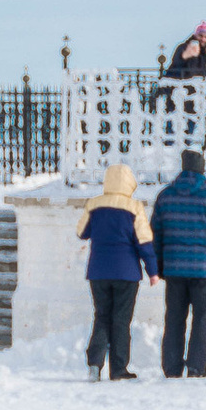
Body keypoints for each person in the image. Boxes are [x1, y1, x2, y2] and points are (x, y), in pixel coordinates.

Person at [150, 143, 206, 380]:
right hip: (204, 270)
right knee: (202, 317)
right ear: (202, 170)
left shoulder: (165, 196)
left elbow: (156, 233)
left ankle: (171, 367)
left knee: (174, 318)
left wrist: (157, 263)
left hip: (174, 270)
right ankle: (197, 366)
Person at [78, 157, 156, 377]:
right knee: (121, 320)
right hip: (127, 273)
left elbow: (81, 232)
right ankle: (119, 368)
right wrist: (153, 271)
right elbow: (144, 242)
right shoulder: (134, 208)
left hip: (98, 272)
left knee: (102, 316)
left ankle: (94, 364)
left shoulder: (94, 204)